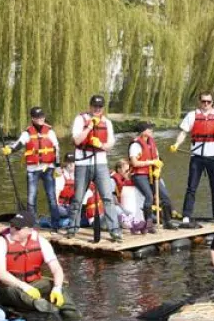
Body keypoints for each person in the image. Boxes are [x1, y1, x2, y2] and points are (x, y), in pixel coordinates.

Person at [0, 212, 80, 321]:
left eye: (18, 228)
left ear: (29, 230)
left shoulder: (41, 242)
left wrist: (56, 288)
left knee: (55, 286)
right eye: (12, 225)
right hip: (9, 286)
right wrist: (24, 286)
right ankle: (49, 309)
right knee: (16, 293)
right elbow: (1, 275)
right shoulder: (0, 242)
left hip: (34, 283)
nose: (13, 229)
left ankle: (71, 315)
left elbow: (57, 269)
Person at [170, 92, 214, 225]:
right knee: (191, 187)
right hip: (197, 157)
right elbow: (183, 133)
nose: (206, 104)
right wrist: (176, 144)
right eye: (203, 101)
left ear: (212, 103)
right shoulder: (191, 115)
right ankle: (186, 215)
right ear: (200, 102)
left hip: (213, 157)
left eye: (208, 102)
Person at [68, 94, 122, 241]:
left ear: (102, 108)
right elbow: (76, 139)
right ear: (90, 106)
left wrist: (101, 145)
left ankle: (115, 230)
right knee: (78, 198)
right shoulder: (80, 119)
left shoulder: (107, 123)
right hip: (82, 163)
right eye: (94, 106)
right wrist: (90, 127)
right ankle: (72, 228)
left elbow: (110, 145)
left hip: (101, 163)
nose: (97, 109)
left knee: (107, 197)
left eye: (99, 107)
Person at [2, 106, 60, 218]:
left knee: (52, 197)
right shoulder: (27, 133)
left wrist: (57, 166)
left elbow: (57, 148)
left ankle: (55, 223)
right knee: (31, 199)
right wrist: (10, 150)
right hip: (32, 170)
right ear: (32, 118)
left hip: (48, 168)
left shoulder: (50, 132)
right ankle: (32, 223)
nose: (40, 119)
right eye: (37, 117)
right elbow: (19, 144)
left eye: (42, 117)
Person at [129, 122, 175, 230]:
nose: (152, 131)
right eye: (149, 129)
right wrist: (151, 162)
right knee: (149, 196)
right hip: (139, 175)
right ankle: (149, 225)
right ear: (143, 131)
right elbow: (135, 163)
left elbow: (157, 160)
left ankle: (167, 221)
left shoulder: (152, 143)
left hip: (153, 174)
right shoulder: (135, 145)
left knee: (165, 196)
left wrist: (158, 168)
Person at [111, 159, 146, 232]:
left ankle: (136, 222)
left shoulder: (126, 180)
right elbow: (109, 197)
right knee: (117, 208)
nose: (129, 172)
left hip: (124, 207)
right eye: (126, 171)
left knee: (131, 212)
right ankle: (130, 224)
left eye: (129, 170)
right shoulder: (113, 180)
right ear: (119, 169)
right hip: (115, 207)